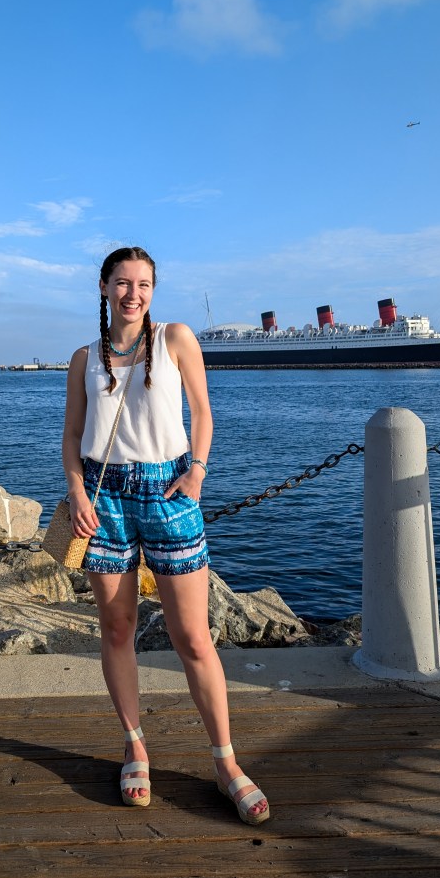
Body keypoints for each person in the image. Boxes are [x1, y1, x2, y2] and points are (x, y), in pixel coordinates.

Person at [61, 246, 269, 825]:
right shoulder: (85, 359)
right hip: (104, 501)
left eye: (144, 283)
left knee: (193, 638)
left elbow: (202, 414)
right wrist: (78, 494)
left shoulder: (176, 338)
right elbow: (73, 436)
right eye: (123, 283)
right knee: (118, 627)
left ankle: (226, 762)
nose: (134, 293)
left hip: (169, 490)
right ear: (103, 287)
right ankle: (135, 746)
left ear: (154, 289)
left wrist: (198, 472)